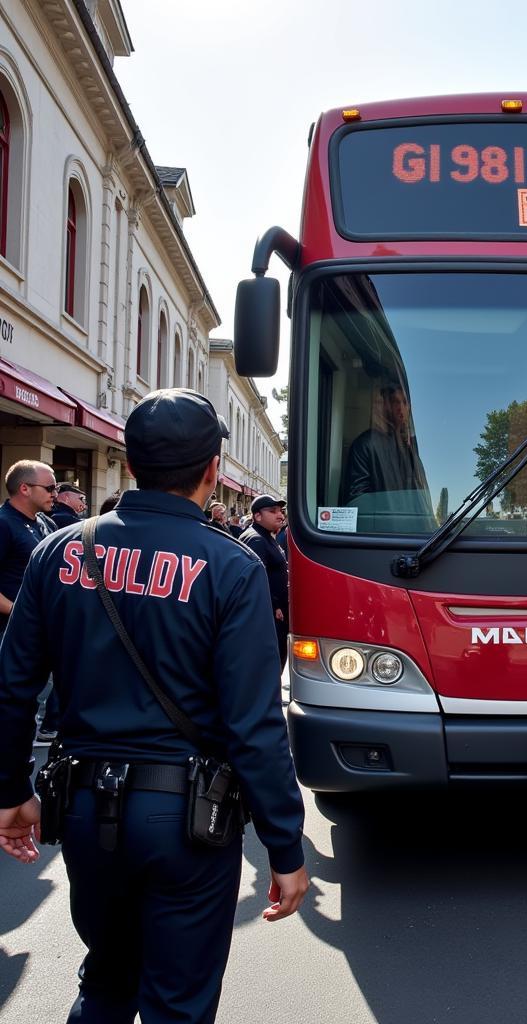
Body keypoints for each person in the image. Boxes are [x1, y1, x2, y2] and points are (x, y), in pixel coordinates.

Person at [0, 388, 308, 1023]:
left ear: (132, 462)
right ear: (212, 471)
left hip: (85, 810)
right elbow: (254, 724)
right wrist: (285, 845)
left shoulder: (60, 551)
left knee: (106, 983)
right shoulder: (231, 565)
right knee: (178, 1005)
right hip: (188, 823)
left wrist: (10, 788)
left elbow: (12, 685)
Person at [0, 461, 58, 741]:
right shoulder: (3, 523)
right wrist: (17, 612)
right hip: (7, 633)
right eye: (49, 488)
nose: (55, 493)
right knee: (9, 708)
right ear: (24, 488)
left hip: (36, 632)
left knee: (26, 708)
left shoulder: (45, 524)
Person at [341, 383, 430, 507]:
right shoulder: (365, 445)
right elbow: (357, 502)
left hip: (411, 526)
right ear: (386, 406)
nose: (401, 408)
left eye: (404, 402)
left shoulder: (410, 451)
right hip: (382, 526)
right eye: (395, 402)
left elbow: (422, 500)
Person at [240, 495, 289, 670]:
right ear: (257, 516)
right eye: (273, 511)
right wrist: (274, 605)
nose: (280, 515)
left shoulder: (265, 536)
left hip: (275, 612)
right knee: (270, 661)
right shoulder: (257, 539)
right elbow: (256, 579)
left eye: (281, 511)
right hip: (270, 615)